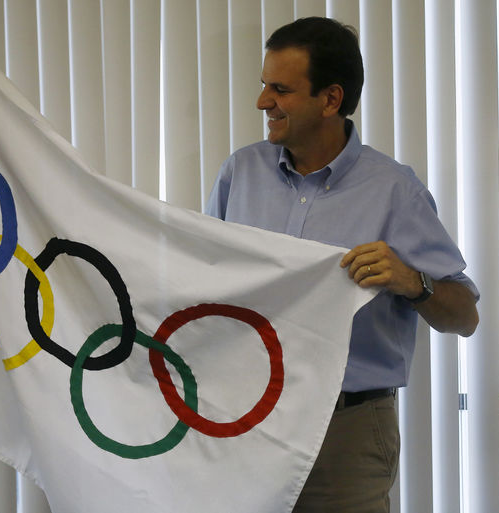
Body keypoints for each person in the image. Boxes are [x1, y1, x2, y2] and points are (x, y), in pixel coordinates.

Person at [205, 17, 479, 513]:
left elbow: (465, 316)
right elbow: (203, 279)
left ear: (330, 100)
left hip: (345, 433)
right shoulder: (239, 173)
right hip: (243, 419)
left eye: (280, 89)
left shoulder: (395, 190)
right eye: (264, 84)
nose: (262, 102)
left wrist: (412, 281)